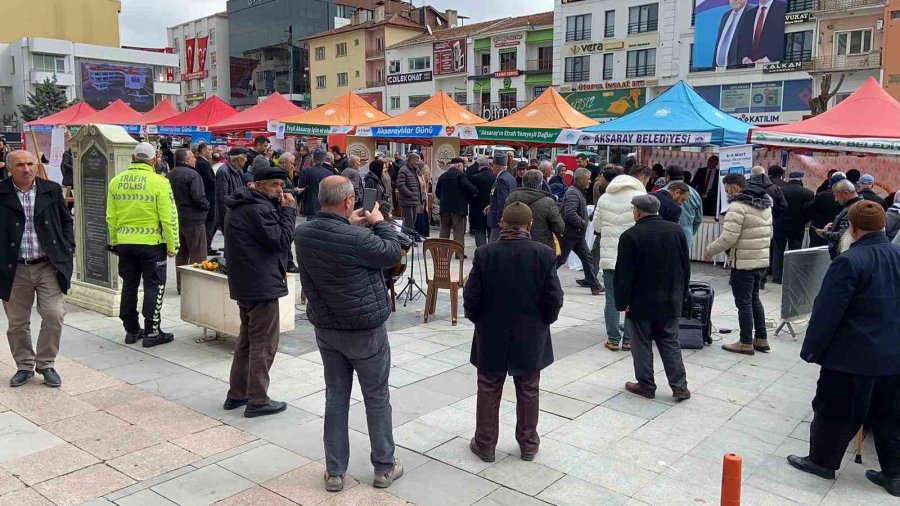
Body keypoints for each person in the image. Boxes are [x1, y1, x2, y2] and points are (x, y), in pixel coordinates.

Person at [295, 176, 403, 491]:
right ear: (348, 201)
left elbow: (336, 240)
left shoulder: (303, 234)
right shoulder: (357, 240)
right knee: (376, 398)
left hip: (327, 329)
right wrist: (380, 221)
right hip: (364, 330)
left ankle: (334, 471)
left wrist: (351, 225)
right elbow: (392, 252)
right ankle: (384, 467)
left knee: (336, 397)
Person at [787, 202, 900, 497]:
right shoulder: (897, 254)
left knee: (834, 411)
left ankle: (822, 462)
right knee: (889, 417)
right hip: (893, 354)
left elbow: (828, 311)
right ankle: (895, 475)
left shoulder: (849, 261)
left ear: (852, 227)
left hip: (852, 355)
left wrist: (811, 350)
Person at [465, 201, 563, 463]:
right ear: (530, 225)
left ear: (502, 223)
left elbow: (471, 296)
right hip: (530, 333)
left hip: (491, 331)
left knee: (488, 386)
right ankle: (528, 444)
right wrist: (544, 322)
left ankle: (485, 444)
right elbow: (554, 298)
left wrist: (479, 320)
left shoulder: (485, 253)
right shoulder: (544, 254)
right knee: (528, 387)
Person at [223, 165, 295, 418]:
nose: (279, 190)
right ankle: (258, 399)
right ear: (259, 184)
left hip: (246, 282)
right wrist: (289, 212)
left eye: (281, 185)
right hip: (260, 283)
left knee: (247, 340)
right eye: (274, 185)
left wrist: (279, 207)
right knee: (263, 343)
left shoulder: (245, 204)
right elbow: (281, 241)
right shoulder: (258, 209)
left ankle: (237, 393)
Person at [0, 151, 73, 388]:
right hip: (14, 268)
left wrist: (67, 247)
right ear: (10, 168)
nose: (26, 169)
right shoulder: (2, 192)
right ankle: (24, 365)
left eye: (30, 163)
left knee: (54, 314)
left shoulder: (50, 190)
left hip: (47, 265)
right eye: (20, 165)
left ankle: (46, 363)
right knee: (17, 322)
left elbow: (66, 221)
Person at [614, 194, 690, 401]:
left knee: (641, 344)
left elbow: (624, 274)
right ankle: (680, 386)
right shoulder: (676, 231)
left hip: (642, 300)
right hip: (670, 297)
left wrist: (621, 302)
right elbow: (685, 267)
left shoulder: (631, 235)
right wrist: (683, 295)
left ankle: (646, 384)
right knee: (670, 341)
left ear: (638, 212)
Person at [107, 143, 179, 348]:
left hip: (125, 244)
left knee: (129, 285)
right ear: (154, 159)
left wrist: (114, 242)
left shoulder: (116, 182)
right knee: (154, 285)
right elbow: (169, 217)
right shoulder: (160, 182)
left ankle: (131, 330)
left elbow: (111, 216)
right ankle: (152, 331)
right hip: (152, 244)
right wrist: (174, 244)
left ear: (132, 157)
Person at [705, 173, 773, 355]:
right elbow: (770, 233)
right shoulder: (765, 204)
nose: (726, 193)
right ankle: (761, 338)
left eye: (727, 190)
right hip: (761, 260)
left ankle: (744, 342)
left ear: (735, 188)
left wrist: (710, 250)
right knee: (754, 299)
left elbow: (728, 237)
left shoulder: (737, 207)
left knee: (743, 303)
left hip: (744, 262)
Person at [594, 165, 650, 351]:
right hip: (634, 258)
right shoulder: (641, 199)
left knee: (611, 299)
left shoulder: (605, 198)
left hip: (610, 257)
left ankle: (612, 339)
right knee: (632, 300)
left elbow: (597, 227)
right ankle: (628, 340)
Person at [167, 148, 209, 293]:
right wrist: (206, 206)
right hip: (194, 219)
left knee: (181, 255)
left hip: (177, 218)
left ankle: (182, 286)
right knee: (198, 254)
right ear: (186, 160)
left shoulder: (169, 175)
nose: (195, 159)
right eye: (192, 157)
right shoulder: (193, 174)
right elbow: (198, 197)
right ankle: (197, 286)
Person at [557, 168, 601, 295]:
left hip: (576, 235)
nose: (590, 181)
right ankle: (542, 280)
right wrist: (582, 223)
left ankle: (595, 285)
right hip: (570, 234)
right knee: (559, 260)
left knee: (587, 258)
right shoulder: (573, 193)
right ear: (580, 179)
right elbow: (570, 213)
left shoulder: (577, 192)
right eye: (587, 179)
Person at [771, 171, 814, 283]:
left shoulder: (780, 191)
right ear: (801, 180)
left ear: (789, 179)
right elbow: (809, 211)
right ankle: (792, 276)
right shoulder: (808, 193)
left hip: (780, 225)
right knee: (795, 251)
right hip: (797, 225)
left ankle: (777, 277)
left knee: (778, 251)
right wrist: (804, 220)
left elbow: (775, 208)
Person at [505, 169, 564, 251]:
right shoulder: (548, 202)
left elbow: (504, 220)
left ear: (523, 182)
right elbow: (560, 227)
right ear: (541, 184)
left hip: (514, 245)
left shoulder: (511, 198)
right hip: (542, 247)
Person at [435, 157, 476, 252]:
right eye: (463, 166)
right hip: (458, 209)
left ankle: (442, 252)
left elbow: (437, 192)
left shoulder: (443, 176)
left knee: (444, 231)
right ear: (459, 165)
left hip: (444, 208)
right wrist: (475, 191)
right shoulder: (460, 174)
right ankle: (458, 253)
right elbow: (467, 186)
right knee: (458, 232)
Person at [817, 179, 862, 259]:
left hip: (845, 254)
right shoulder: (859, 205)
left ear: (846, 193)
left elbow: (843, 236)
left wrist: (825, 234)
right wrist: (834, 227)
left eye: (837, 195)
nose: (835, 199)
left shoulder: (852, 209)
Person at [665, 165, 702, 249]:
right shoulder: (694, 193)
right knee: (683, 260)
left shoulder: (661, 192)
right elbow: (698, 219)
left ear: (667, 177)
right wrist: (690, 231)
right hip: (686, 234)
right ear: (683, 177)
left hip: (664, 235)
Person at [804, 173, 844, 247]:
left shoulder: (822, 195)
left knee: (816, 253)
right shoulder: (845, 197)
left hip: (818, 229)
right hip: (836, 230)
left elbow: (809, 210)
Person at [741, 0, 786, 64]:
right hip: (750, 68)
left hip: (773, 66)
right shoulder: (749, 14)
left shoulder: (784, 8)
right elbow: (743, 41)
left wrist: (766, 60)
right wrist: (745, 59)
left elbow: (785, 39)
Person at [216, 148, 247, 237]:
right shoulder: (223, 171)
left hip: (238, 213)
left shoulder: (239, 170)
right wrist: (227, 217)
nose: (246, 160)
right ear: (238, 159)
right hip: (230, 215)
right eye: (245, 157)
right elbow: (222, 197)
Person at [487, 154, 517, 242]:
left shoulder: (501, 179)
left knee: (494, 245)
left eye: (492, 165)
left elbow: (503, 201)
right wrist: (491, 205)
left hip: (499, 220)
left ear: (497, 166)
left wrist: (502, 218)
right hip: (506, 217)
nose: (491, 167)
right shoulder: (510, 177)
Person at [195, 142, 218, 255]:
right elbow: (210, 180)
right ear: (203, 151)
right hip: (208, 196)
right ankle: (207, 246)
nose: (211, 152)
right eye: (209, 150)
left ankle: (207, 246)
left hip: (207, 196)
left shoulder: (203, 162)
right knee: (209, 222)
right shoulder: (203, 164)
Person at [298, 148, 333, 221]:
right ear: (323, 160)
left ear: (313, 159)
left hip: (310, 205)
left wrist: (298, 202)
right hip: (324, 205)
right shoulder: (329, 173)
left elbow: (301, 189)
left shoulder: (306, 171)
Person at [713, 0, 751, 67]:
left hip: (741, 70)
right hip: (719, 70)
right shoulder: (726, 16)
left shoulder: (753, 12)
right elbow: (719, 44)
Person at [469, 157, 496, 248]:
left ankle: (481, 252)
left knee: (479, 232)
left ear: (479, 167)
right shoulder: (495, 177)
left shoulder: (475, 178)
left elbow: (472, 194)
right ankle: (490, 253)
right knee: (491, 233)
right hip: (491, 209)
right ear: (489, 166)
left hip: (477, 210)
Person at [396, 152, 425, 233]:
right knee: (408, 222)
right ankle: (407, 239)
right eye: (416, 161)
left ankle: (410, 238)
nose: (418, 162)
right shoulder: (403, 170)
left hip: (415, 200)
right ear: (411, 160)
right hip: (407, 200)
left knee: (413, 222)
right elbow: (400, 185)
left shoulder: (416, 170)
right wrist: (410, 194)